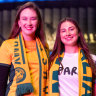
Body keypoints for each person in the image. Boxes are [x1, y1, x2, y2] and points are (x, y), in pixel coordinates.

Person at [0, 2, 49, 96]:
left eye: (33, 19)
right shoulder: (7, 45)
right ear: (19, 22)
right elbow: (1, 82)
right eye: (24, 19)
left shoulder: (44, 46)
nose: (29, 23)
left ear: (38, 22)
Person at [48, 17, 96, 96]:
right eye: (63, 31)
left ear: (79, 33)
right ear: (59, 35)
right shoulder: (52, 60)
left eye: (71, 29)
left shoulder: (92, 59)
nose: (68, 33)